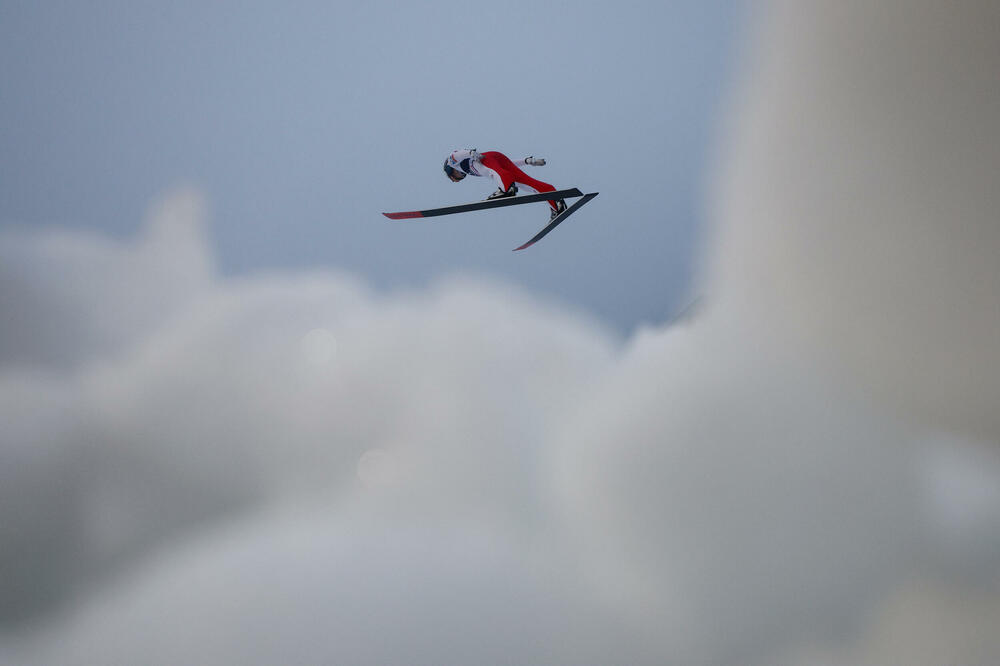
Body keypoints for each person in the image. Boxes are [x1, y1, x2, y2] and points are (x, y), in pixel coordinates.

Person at [443, 149, 567, 219]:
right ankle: (557, 203)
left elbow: (456, 155)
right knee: (528, 183)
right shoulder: (467, 168)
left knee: (492, 172)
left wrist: (471, 153)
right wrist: (527, 161)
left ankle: (506, 190)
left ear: (451, 172)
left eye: (454, 178)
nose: (458, 179)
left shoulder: (452, 162)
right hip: (497, 158)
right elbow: (507, 165)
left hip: (486, 158)